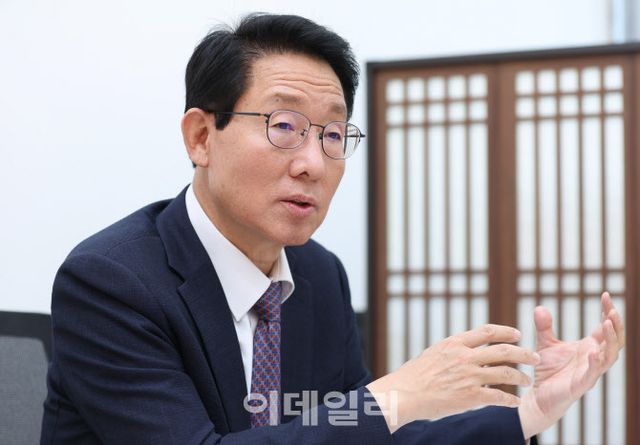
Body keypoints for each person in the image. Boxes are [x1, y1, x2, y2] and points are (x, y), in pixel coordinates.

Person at [40, 13, 625, 444]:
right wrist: (394, 395)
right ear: (200, 137)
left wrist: (532, 412)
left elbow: (355, 431)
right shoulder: (112, 282)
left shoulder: (319, 276)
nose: (313, 164)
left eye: (333, 135)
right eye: (284, 125)